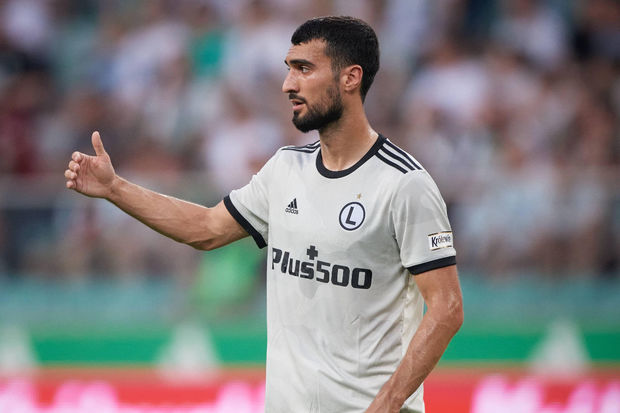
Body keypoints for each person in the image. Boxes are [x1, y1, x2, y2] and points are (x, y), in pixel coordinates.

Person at [64, 16, 463, 413]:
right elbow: (205, 228)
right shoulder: (286, 168)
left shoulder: (404, 184)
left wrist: (386, 405)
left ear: (350, 78)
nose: (288, 84)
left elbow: (447, 308)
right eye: (289, 69)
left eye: (304, 69)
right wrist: (115, 189)